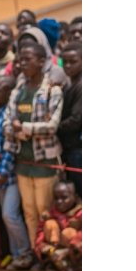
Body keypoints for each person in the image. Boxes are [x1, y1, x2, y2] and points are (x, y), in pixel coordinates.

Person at [2, 42, 64, 271]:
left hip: (46, 164)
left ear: (41, 61)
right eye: (20, 60)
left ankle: (50, 255)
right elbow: (7, 123)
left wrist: (23, 128)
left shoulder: (52, 91)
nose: (22, 64)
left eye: (27, 59)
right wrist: (17, 128)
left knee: (44, 212)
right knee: (29, 213)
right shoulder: (18, 91)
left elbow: (52, 126)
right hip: (23, 163)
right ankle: (38, 256)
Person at [0, 75, 34, 270]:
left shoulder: (9, 114)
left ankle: (25, 252)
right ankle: (16, 255)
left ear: (9, 93)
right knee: (7, 217)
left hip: (9, 174)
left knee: (10, 215)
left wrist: (3, 171)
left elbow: (12, 147)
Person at [34, 180, 81, 271]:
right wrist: (44, 247)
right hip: (55, 251)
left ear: (75, 197)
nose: (60, 201)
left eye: (64, 198)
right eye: (56, 198)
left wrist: (68, 251)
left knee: (69, 232)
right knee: (50, 224)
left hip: (74, 253)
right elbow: (39, 235)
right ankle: (53, 264)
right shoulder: (49, 214)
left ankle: (73, 264)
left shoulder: (81, 213)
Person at [58, 45, 82, 196]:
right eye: (64, 62)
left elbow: (77, 119)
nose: (67, 66)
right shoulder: (69, 84)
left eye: (72, 61)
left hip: (78, 149)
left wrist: (53, 128)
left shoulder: (82, 86)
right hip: (70, 148)